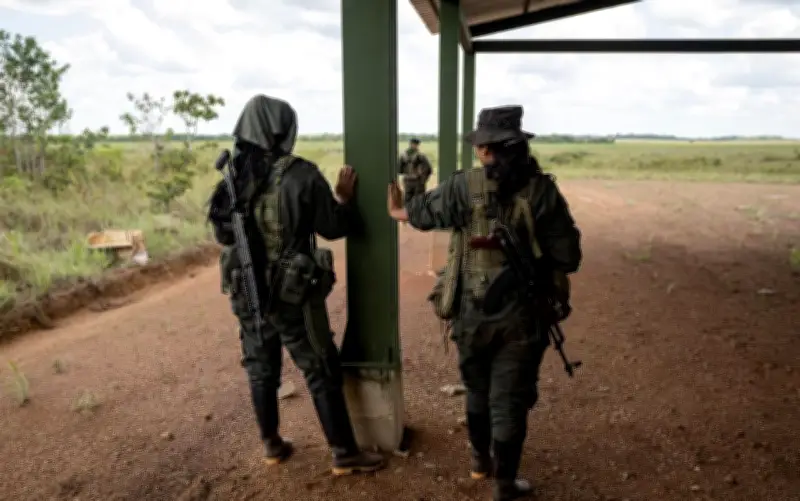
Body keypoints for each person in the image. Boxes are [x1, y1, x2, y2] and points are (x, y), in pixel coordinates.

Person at [387, 105, 582, 500]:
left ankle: (480, 462)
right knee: (509, 398)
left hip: (471, 311)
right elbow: (569, 257)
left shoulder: (465, 187)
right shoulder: (542, 190)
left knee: (477, 388)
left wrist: (396, 209)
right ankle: (505, 483)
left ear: (484, 150)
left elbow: (419, 214)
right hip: (524, 315)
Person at [208, 94, 384, 476]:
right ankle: (343, 452)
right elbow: (334, 227)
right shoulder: (301, 174)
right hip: (292, 294)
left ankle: (271, 445)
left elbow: (222, 235)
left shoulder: (234, 177)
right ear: (283, 132)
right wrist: (343, 199)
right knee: (320, 368)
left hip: (247, 291)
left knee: (260, 367)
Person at [398, 137, 432, 205]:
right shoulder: (421, 156)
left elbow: (399, 170)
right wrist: (423, 180)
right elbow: (428, 169)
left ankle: (408, 214)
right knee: (419, 201)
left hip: (408, 180)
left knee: (408, 200)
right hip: (418, 181)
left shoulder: (403, 156)